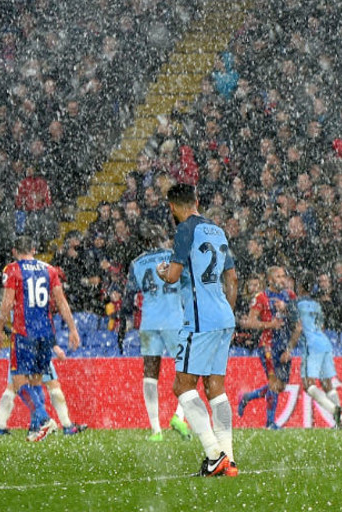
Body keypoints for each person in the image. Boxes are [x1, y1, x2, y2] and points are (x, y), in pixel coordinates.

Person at [156, 183, 239, 477]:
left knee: (182, 385)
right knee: (216, 388)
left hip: (201, 319)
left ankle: (213, 454)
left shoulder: (184, 229)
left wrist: (163, 272)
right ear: (197, 200)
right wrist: (227, 311)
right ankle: (228, 457)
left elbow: (174, 275)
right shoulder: (217, 230)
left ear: (172, 207)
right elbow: (233, 280)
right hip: (224, 317)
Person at [0, 236, 81, 442]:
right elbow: (61, 301)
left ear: (15, 251)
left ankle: (43, 419)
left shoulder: (12, 270)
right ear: (34, 248)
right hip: (45, 334)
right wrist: (72, 329)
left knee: (19, 382)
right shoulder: (49, 270)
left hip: (24, 333)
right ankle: (36, 429)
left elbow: (6, 305)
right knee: (36, 381)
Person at [126, 224, 192, 441]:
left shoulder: (136, 263)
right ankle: (178, 417)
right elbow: (187, 284)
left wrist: (123, 324)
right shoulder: (175, 257)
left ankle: (156, 430)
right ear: (162, 238)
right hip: (174, 321)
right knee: (187, 371)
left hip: (149, 322)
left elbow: (129, 298)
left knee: (150, 375)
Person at [237, 265, 297, 430]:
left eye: (283, 276)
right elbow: (250, 322)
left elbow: (297, 319)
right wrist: (270, 324)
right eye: (278, 276)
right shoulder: (261, 297)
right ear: (270, 280)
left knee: (280, 386)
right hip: (268, 346)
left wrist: (289, 348)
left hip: (284, 345)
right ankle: (270, 423)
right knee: (273, 383)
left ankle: (247, 397)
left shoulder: (289, 296)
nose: (282, 279)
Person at [292, 272, 342, 429]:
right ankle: (341, 422)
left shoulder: (297, 304)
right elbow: (321, 326)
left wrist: (289, 348)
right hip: (324, 342)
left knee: (308, 385)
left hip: (312, 345)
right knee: (327, 383)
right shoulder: (317, 305)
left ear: (300, 286)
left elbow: (298, 328)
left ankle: (333, 409)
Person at [0, 346, 88, 436]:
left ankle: (4, 426)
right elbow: (46, 330)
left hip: (20, 348)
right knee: (50, 385)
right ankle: (54, 423)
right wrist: (55, 347)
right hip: (36, 347)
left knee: (15, 386)